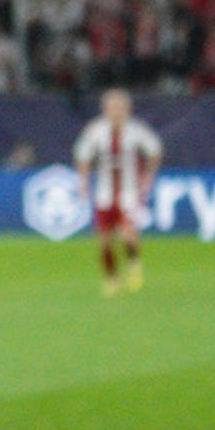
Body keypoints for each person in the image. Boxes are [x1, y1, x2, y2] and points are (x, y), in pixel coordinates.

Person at [73, 88, 162, 295]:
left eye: (119, 107)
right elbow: (83, 156)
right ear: (105, 109)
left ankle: (133, 263)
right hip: (104, 192)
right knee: (104, 240)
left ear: (126, 109)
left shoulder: (136, 130)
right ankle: (111, 278)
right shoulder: (95, 130)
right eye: (112, 107)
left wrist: (148, 175)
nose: (115, 111)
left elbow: (155, 151)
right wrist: (83, 182)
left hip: (129, 192)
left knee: (127, 234)